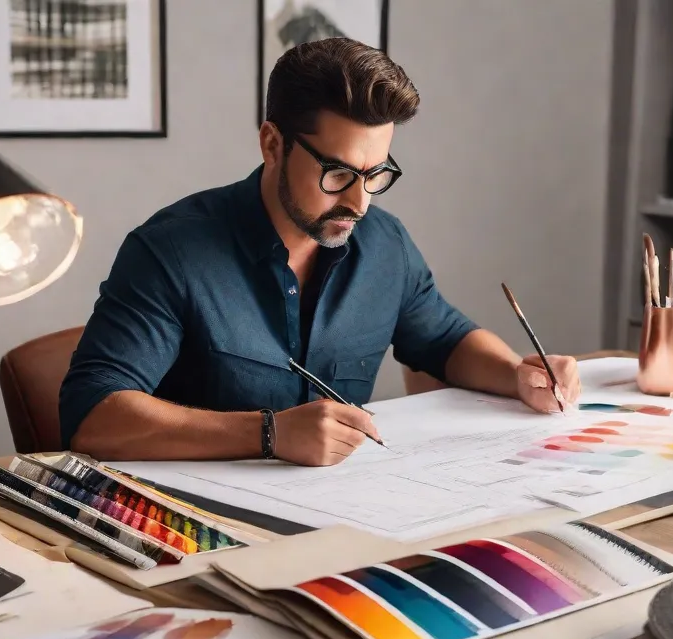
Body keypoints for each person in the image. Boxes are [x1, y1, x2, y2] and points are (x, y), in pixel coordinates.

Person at [60, 38, 581, 467]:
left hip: (343, 519)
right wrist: (267, 434)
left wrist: (517, 373)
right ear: (272, 144)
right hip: (195, 528)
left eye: (377, 174)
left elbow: (447, 341)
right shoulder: (170, 251)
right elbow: (92, 416)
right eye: (338, 173)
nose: (359, 201)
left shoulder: (385, 245)